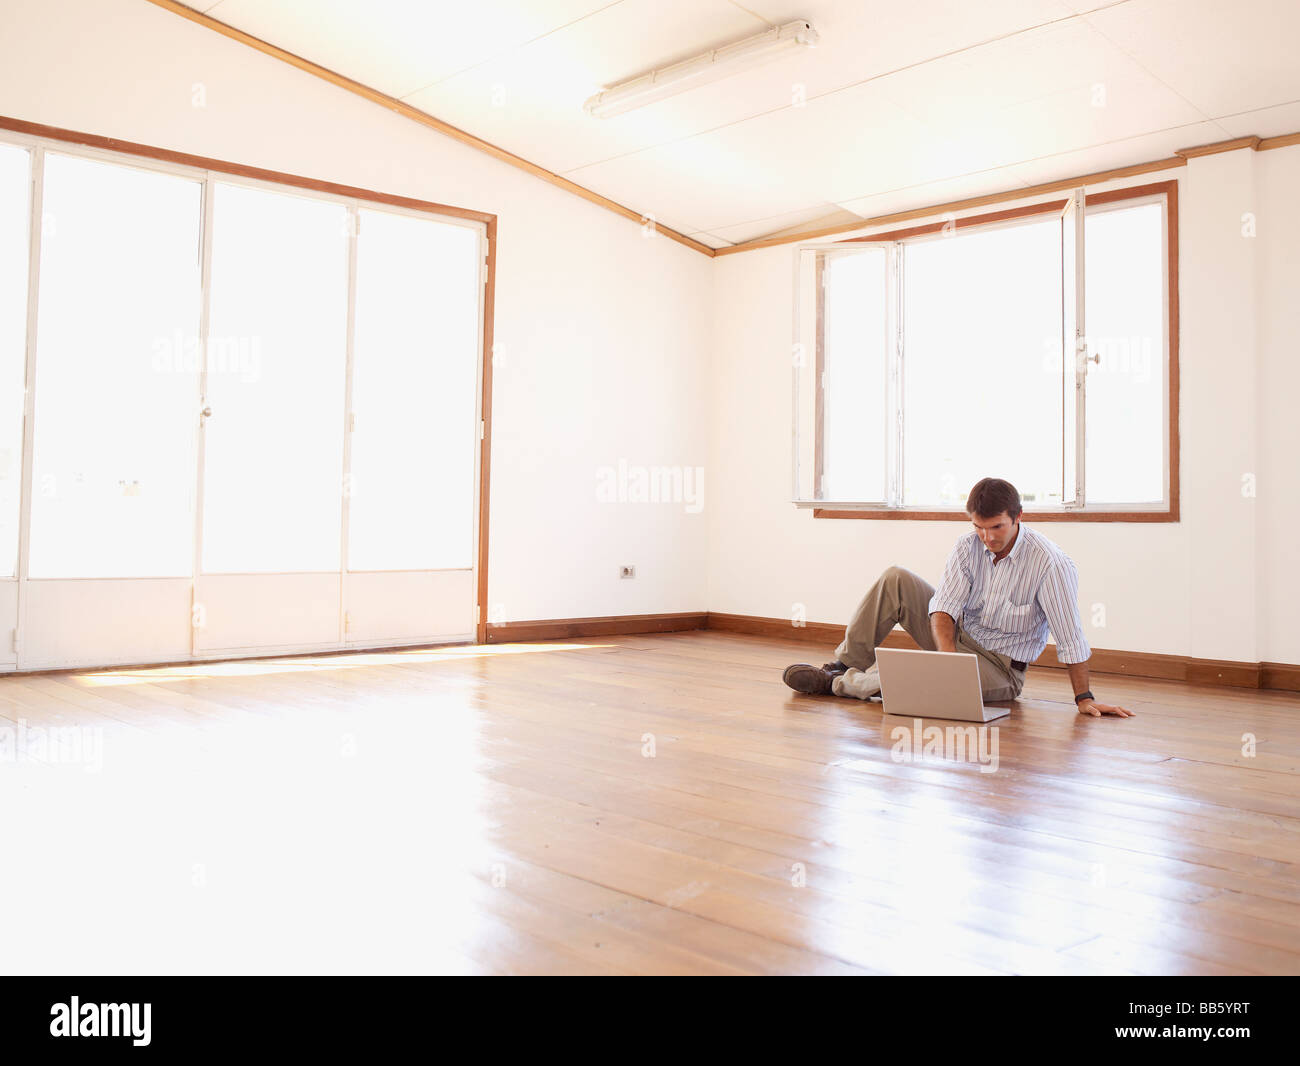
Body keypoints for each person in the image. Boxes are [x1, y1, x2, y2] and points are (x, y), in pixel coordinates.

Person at [782, 477, 1134, 718]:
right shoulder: (968, 546)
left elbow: (1071, 636)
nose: (987, 537)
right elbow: (944, 607)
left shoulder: (1049, 563)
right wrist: (948, 661)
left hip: (1000, 667)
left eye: (996, 527)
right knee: (896, 579)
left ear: (1018, 518)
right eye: (979, 527)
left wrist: (1084, 698)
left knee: (923, 680)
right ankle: (844, 663)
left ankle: (836, 684)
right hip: (956, 640)